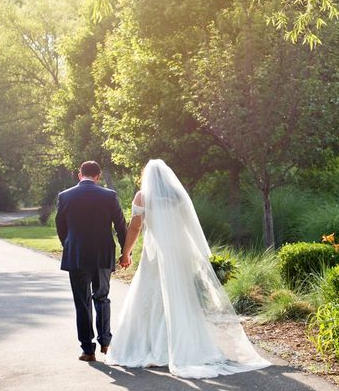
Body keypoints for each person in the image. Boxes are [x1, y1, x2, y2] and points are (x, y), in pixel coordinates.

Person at [106, 159, 270, 378]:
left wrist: (126, 252)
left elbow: (135, 227)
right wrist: (204, 257)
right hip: (179, 253)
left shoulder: (142, 197)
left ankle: (152, 347)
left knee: (151, 297)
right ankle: (184, 346)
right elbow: (190, 227)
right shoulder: (177, 196)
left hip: (156, 255)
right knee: (180, 298)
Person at [55, 161, 127, 362]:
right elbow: (121, 226)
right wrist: (125, 252)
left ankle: (88, 350)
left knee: (82, 302)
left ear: (80, 175)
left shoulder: (65, 196)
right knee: (102, 296)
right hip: (103, 254)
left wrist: (68, 245)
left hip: (76, 255)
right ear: (98, 176)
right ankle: (105, 341)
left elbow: (60, 226)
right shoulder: (109, 195)